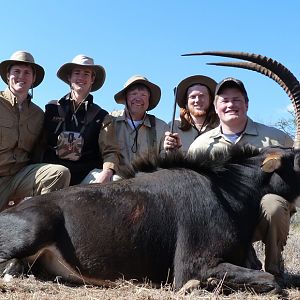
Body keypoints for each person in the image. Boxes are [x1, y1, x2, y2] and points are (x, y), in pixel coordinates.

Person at [188, 77, 295, 278]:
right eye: (224, 100)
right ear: (216, 107)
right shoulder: (200, 145)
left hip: (262, 213)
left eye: (237, 100)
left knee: (274, 204)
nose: (231, 105)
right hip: (221, 218)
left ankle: (275, 269)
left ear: (246, 104)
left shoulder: (277, 137)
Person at [0, 50, 71, 210]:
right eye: (16, 71)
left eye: (27, 73)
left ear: (33, 79)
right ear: (8, 75)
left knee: (59, 173)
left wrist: (56, 110)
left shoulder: (38, 114)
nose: (21, 76)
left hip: (19, 177)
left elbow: (40, 150)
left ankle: (40, 225)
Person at [43, 55, 119, 185]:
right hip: (53, 174)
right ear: (69, 77)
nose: (81, 78)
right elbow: (38, 143)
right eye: (77, 73)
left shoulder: (102, 116)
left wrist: (107, 172)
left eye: (86, 74)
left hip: (85, 177)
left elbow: (110, 150)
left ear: (92, 79)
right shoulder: (51, 108)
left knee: (116, 180)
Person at [84, 75, 169, 182]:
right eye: (133, 94)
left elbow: (166, 162)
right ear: (125, 98)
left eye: (143, 95)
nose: (138, 98)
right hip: (115, 179)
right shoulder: (110, 120)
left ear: (149, 100)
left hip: (148, 184)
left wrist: (172, 149)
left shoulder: (161, 127)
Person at [164, 75, 219, 153]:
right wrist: (170, 152)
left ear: (210, 100)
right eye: (193, 97)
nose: (197, 100)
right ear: (186, 101)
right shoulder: (173, 127)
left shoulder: (221, 126)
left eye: (202, 96)